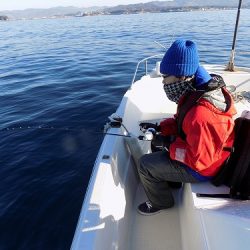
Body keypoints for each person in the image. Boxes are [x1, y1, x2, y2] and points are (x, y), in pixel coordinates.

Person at [137, 39, 236, 215]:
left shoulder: (202, 114)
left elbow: (201, 161)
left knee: (145, 165)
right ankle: (171, 180)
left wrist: (168, 144)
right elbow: (181, 120)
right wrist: (160, 128)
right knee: (155, 143)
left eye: (165, 76)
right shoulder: (196, 91)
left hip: (206, 168)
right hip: (207, 152)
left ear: (182, 76)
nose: (163, 83)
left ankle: (161, 202)